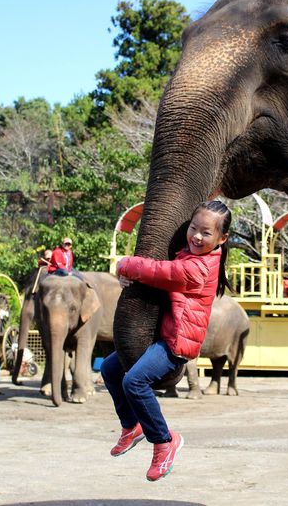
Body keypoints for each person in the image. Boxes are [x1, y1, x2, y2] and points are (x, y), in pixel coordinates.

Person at [100, 200, 232, 481]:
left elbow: (164, 273)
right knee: (110, 369)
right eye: (193, 228)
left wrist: (125, 265)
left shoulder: (200, 268)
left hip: (176, 344)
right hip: (160, 334)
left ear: (222, 238)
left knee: (134, 382)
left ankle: (163, 441)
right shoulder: (189, 254)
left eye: (206, 233)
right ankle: (131, 426)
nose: (196, 236)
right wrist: (130, 279)